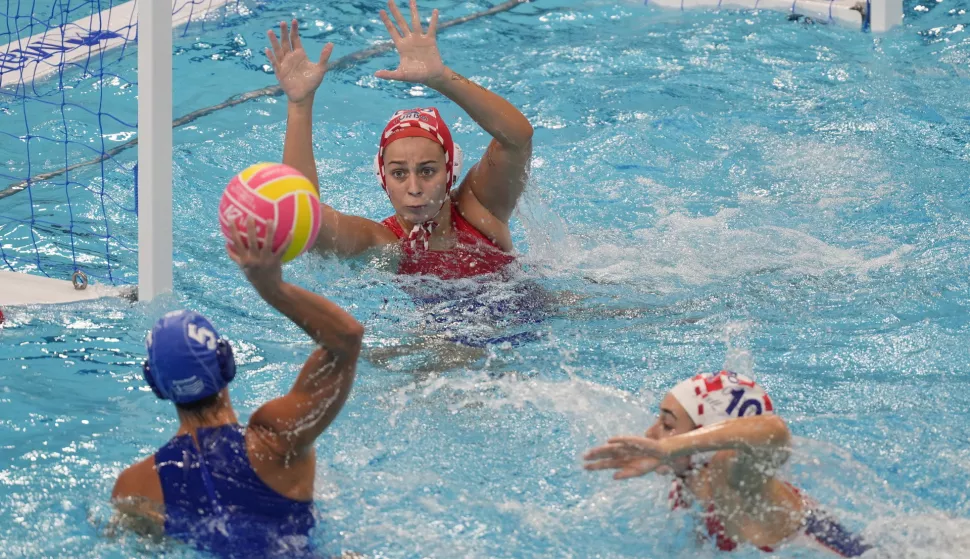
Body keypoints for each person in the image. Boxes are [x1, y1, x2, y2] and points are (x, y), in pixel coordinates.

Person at [111, 219, 364, 558]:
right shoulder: (276, 442)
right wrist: (272, 287)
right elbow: (346, 339)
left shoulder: (135, 486)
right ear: (226, 363)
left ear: (157, 385)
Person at [265, 0, 534, 280]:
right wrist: (299, 105)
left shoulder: (479, 209)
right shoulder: (382, 242)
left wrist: (442, 78)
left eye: (427, 171)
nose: (414, 188)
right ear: (383, 177)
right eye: (399, 173)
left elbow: (518, 138)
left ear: (450, 171)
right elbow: (301, 219)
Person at [583, 370, 871, 557]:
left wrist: (667, 448)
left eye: (668, 425)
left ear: (705, 441)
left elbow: (773, 430)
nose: (650, 434)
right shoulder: (691, 483)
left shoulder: (737, 481)